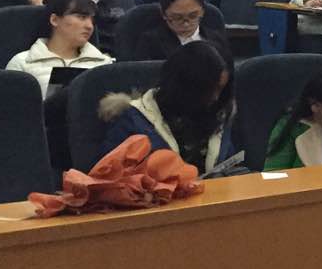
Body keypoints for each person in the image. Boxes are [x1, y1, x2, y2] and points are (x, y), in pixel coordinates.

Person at [98, 41, 235, 172]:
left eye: (220, 89)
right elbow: (110, 175)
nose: (215, 97)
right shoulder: (133, 122)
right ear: (188, 86)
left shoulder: (218, 114)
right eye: (208, 90)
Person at [5, 0, 114, 97]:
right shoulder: (21, 63)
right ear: (55, 20)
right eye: (82, 17)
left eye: (92, 20)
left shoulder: (105, 64)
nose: (89, 26)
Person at [133, 0, 232, 63]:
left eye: (193, 16)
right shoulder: (150, 42)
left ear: (202, 11)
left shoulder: (217, 40)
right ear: (164, 14)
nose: (186, 24)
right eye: (177, 17)